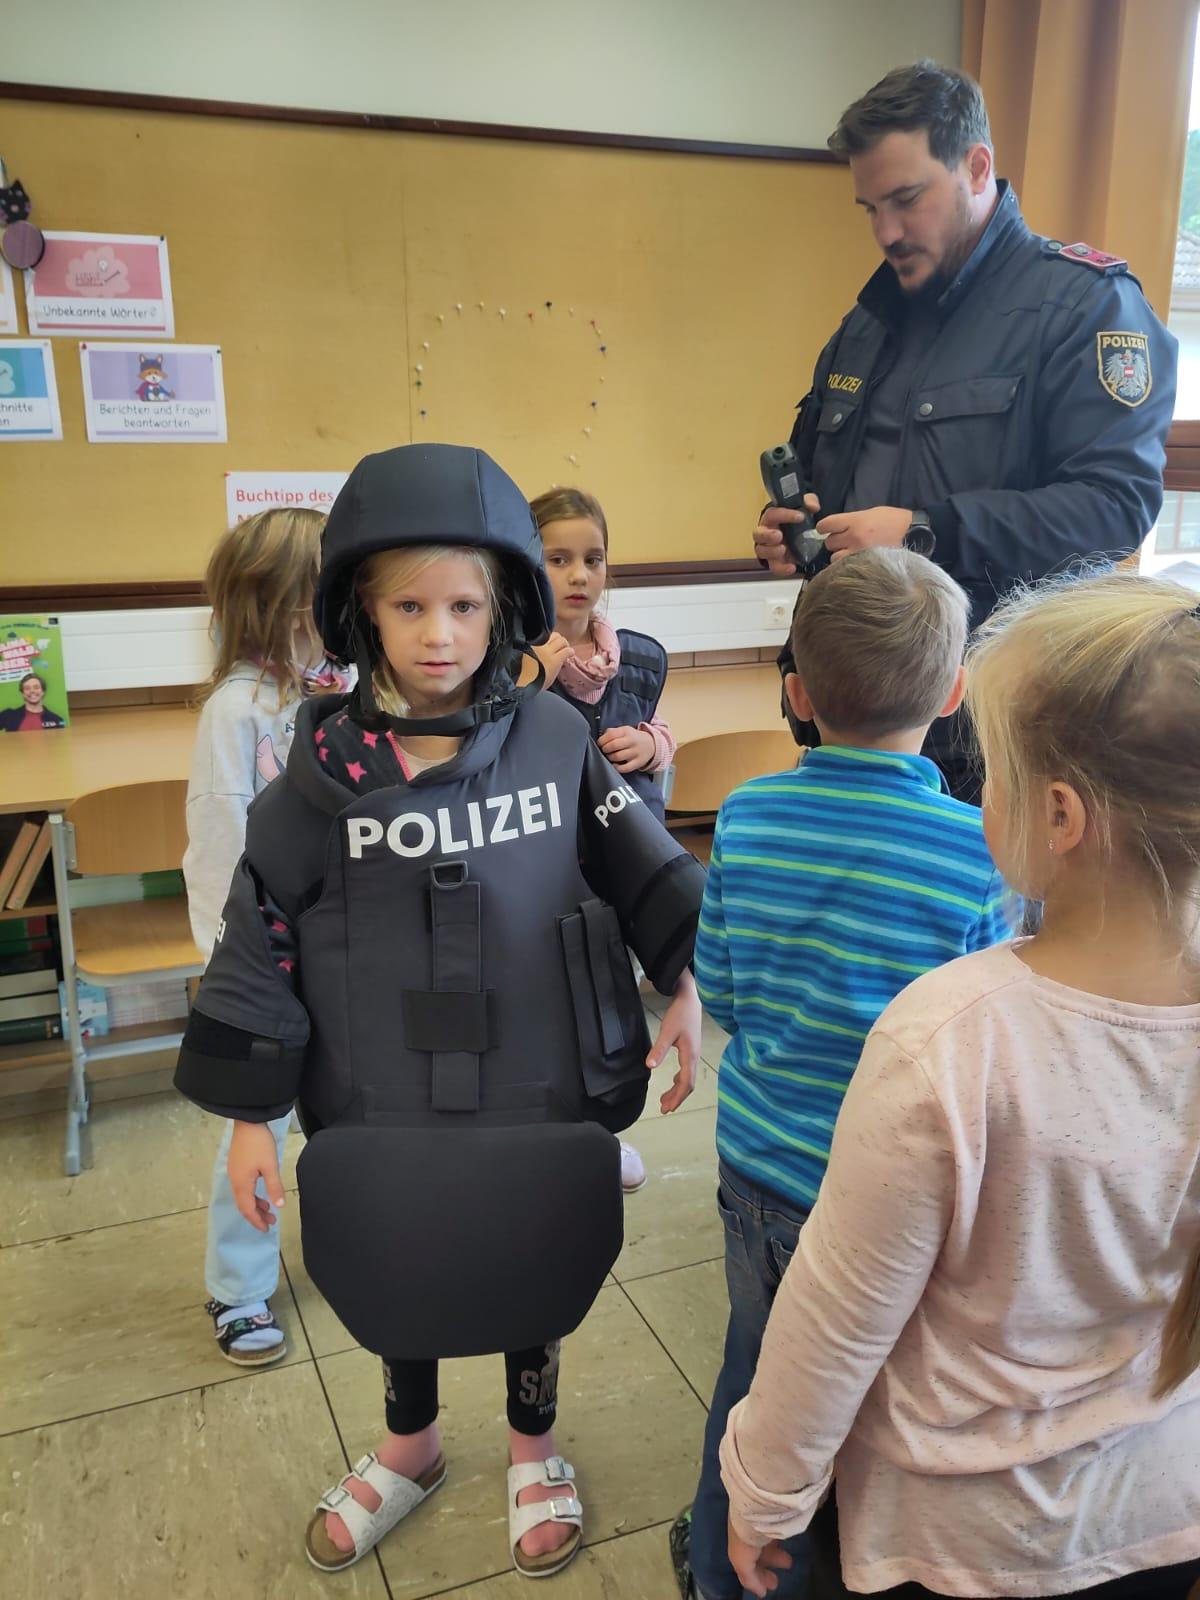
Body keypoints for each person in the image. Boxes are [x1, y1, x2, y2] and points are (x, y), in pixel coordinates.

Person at [172, 444, 706, 1576]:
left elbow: (642, 868)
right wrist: (250, 1116)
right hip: (379, 1083)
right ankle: (409, 1444)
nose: (439, 636)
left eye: (464, 606)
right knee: (399, 1246)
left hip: (533, 1070)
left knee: (529, 1240)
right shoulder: (319, 776)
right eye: (409, 606)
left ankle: (533, 1443)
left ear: (502, 606)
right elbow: (259, 931)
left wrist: (689, 982)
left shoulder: (555, 742)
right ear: (359, 611)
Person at [721, 571, 1200, 1600]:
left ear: (1059, 816)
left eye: (990, 770)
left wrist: (763, 1497)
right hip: (1159, 1522)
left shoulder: (943, 1035)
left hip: (955, 1543)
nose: (972, 793)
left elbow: (835, 1329)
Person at [672, 548, 1010, 1600]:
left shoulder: (747, 815)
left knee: (758, 1371)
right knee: (877, 1387)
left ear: (798, 695)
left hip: (761, 1173)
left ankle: (724, 1572)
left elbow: (721, 991)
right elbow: (985, 1039)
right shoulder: (981, 852)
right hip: (899, 1197)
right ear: (953, 696)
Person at [753, 60, 1177, 802]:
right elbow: (821, 474)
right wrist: (793, 528)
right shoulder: (866, 323)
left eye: (906, 199)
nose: (886, 232)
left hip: (992, 727)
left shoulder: (1085, 307)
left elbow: (1114, 508)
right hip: (843, 712)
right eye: (870, 208)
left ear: (977, 168)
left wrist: (924, 530)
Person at [182, 506, 348, 1366]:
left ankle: (352, 1240)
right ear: (288, 603)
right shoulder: (236, 712)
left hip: (340, 952)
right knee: (258, 1123)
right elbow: (220, 847)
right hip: (263, 964)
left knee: (346, 1108)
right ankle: (238, 1288)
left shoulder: (336, 692)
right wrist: (242, 972)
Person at [530, 485, 680, 1195]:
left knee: (606, 1006)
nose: (578, 575)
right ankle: (544, 1127)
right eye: (557, 559)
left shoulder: (636, 659)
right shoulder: (512, 659)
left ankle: (601, 1130)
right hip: (545, 868)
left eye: (592, 559)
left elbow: (662, 732)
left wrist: (651, 745)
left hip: (618, 864)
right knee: (544, 1004)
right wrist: (530, 679)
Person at [0, 672, 66, 730]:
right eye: (27, 688)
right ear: (22, 693)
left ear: (43, 691)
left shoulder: (56, 720)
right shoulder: (8, 715)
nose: (32, 691)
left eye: (36, 687)